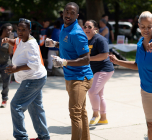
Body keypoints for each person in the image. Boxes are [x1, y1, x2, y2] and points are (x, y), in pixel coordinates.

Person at [110, 11, 152, 140]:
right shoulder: (140, 43)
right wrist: (118, 62)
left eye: (149, 26)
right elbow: (137, 65)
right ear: (139, 26)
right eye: (143, 26)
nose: (146, 29)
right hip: (147, 90)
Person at [47, 2, 93, 140]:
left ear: (77, 15)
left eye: (72, 13)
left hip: (80, 78)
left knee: (75, 114)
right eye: (67, 12)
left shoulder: (77, 33)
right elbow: (69, 45)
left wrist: (65, 62)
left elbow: (86, 59)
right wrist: (55, 44)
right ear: (63, 12)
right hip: (71, 76)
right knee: (81, 112)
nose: (68, 15)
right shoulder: (64, 27)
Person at [2, 18, 50, 140]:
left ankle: (21, 137)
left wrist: (16, 68)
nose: (20, 32)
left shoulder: (31, 44)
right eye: (19, 29)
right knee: (35, 107)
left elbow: (34, 64)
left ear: (29, 30)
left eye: (24, 30)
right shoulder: (22, 39)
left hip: (33, 79)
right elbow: (16, 41)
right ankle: (44, 137)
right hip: (36, 78)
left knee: (16, 105)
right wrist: (8, 40)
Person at [83, 20, 114, 125]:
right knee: (99, 94)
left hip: (104, 69)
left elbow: (104, 55)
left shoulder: (100, 39)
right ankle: (103, 118)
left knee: (92, 92)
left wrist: (88, 59)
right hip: (94, 70)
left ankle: (95, 114)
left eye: (89, 27)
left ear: (95, 29)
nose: (87, 28)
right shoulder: (86, 40)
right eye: (85, 26)